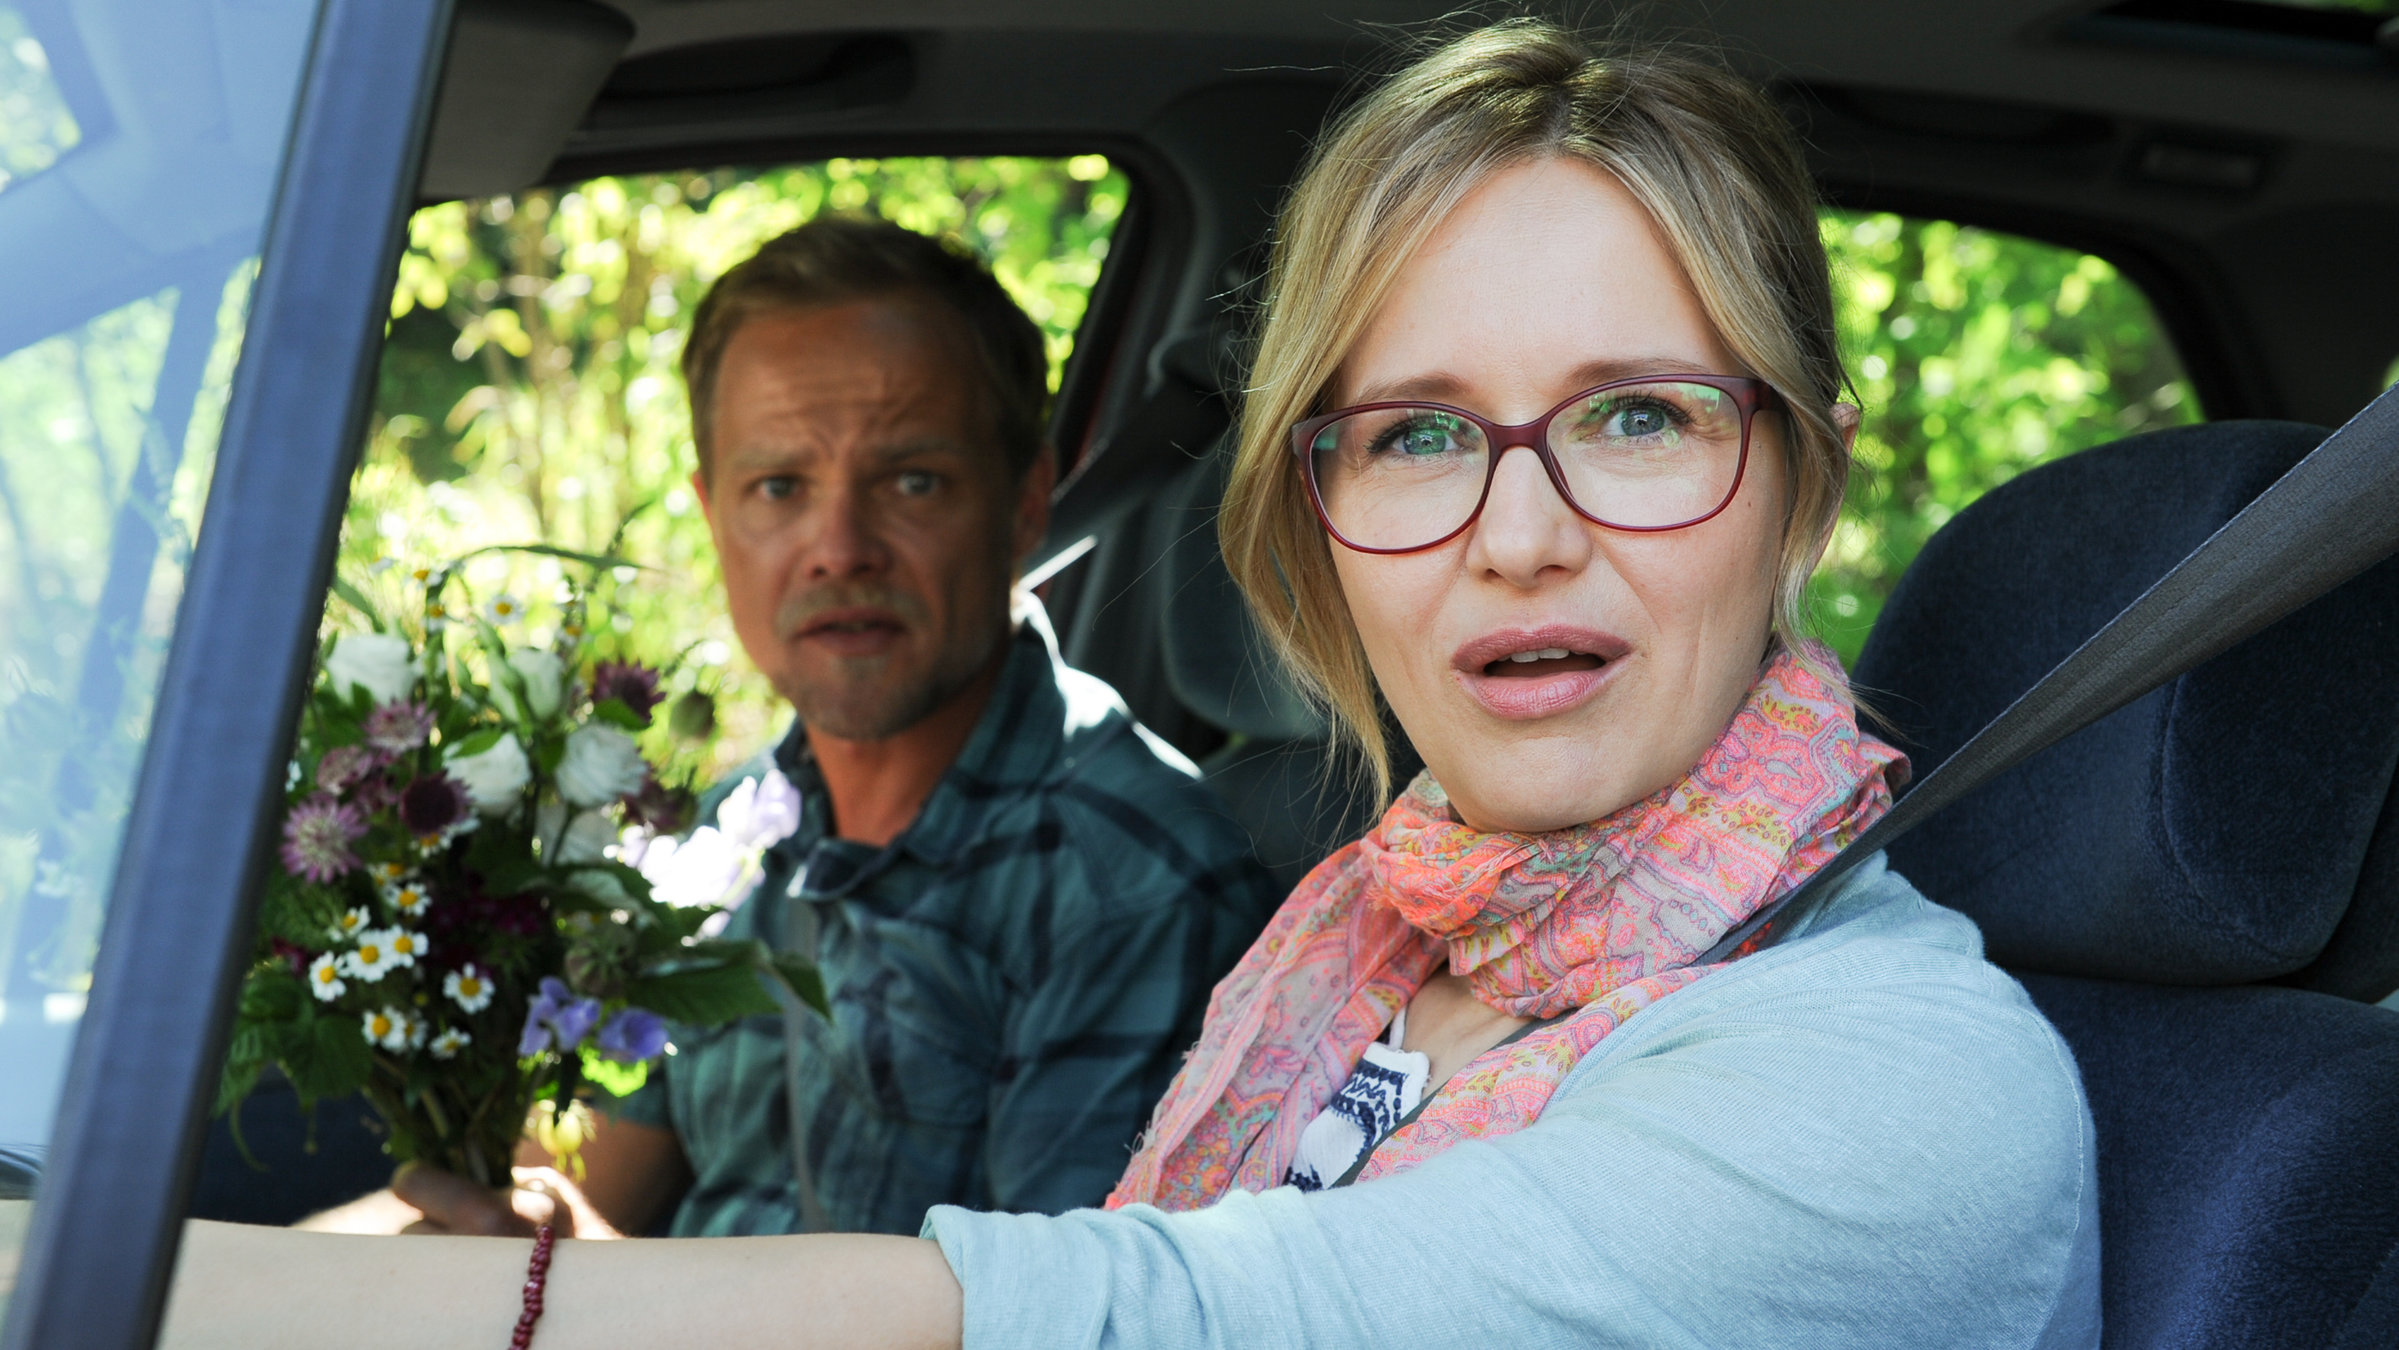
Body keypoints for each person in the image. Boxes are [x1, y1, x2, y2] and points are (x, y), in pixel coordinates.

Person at [159, 21, 2098, 1348]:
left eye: (1639, 415)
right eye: (1416, 435)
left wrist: (152, 1294)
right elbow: (630, 1183)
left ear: (1801, 479)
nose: (1518, 531)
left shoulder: (1901, 1092)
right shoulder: (1358, 934)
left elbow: (1140, 1312)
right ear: (1318, 512)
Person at [319, 215, 1284, 1238]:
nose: (838, 547)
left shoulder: (1134, 880)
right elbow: (576, 1191)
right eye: (779, 487)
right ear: (713, 515)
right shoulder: (734, 831)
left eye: (912, 480)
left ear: (1023, 504)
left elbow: (1045, 1321)